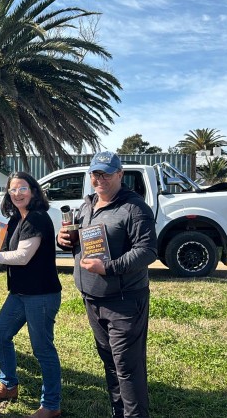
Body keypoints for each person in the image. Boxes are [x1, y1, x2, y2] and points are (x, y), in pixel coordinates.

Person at [57, 151, 157, 418]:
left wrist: (109, 268)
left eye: (106, 173)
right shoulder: (87, 206)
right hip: (92, 298)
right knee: (110, 363)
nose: (99, 179)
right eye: (95, 173)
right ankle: (119, 412)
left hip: (124, 301)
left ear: (120, 175)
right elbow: (84, 242)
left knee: (127, 367)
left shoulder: (134, 208)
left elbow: (147, 251)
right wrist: (64, 240)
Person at [0, 172, 63, 418]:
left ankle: (51, 405)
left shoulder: (37, 219)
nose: (17, 194)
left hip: (41, 295)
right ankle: (8, 386)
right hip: (19, 293)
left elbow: (22, 257)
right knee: (1, 333)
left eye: (22, 188)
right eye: (12, 190)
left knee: (42, 349)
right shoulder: (16, 219)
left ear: (33, 191)